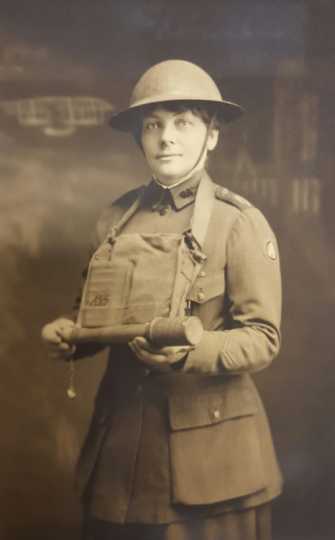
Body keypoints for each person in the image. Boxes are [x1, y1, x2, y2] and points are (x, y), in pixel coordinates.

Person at [41, 59, 283, 540]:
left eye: (182, 123)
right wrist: (71, 334)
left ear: (211, 135)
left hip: (209, 463)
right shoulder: (113, 221)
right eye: (153, 125)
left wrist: (192, 351)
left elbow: (263, 338)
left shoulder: (238, 223)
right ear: (140, 137)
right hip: (120, 455)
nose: (166, 137)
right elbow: (95, 313)